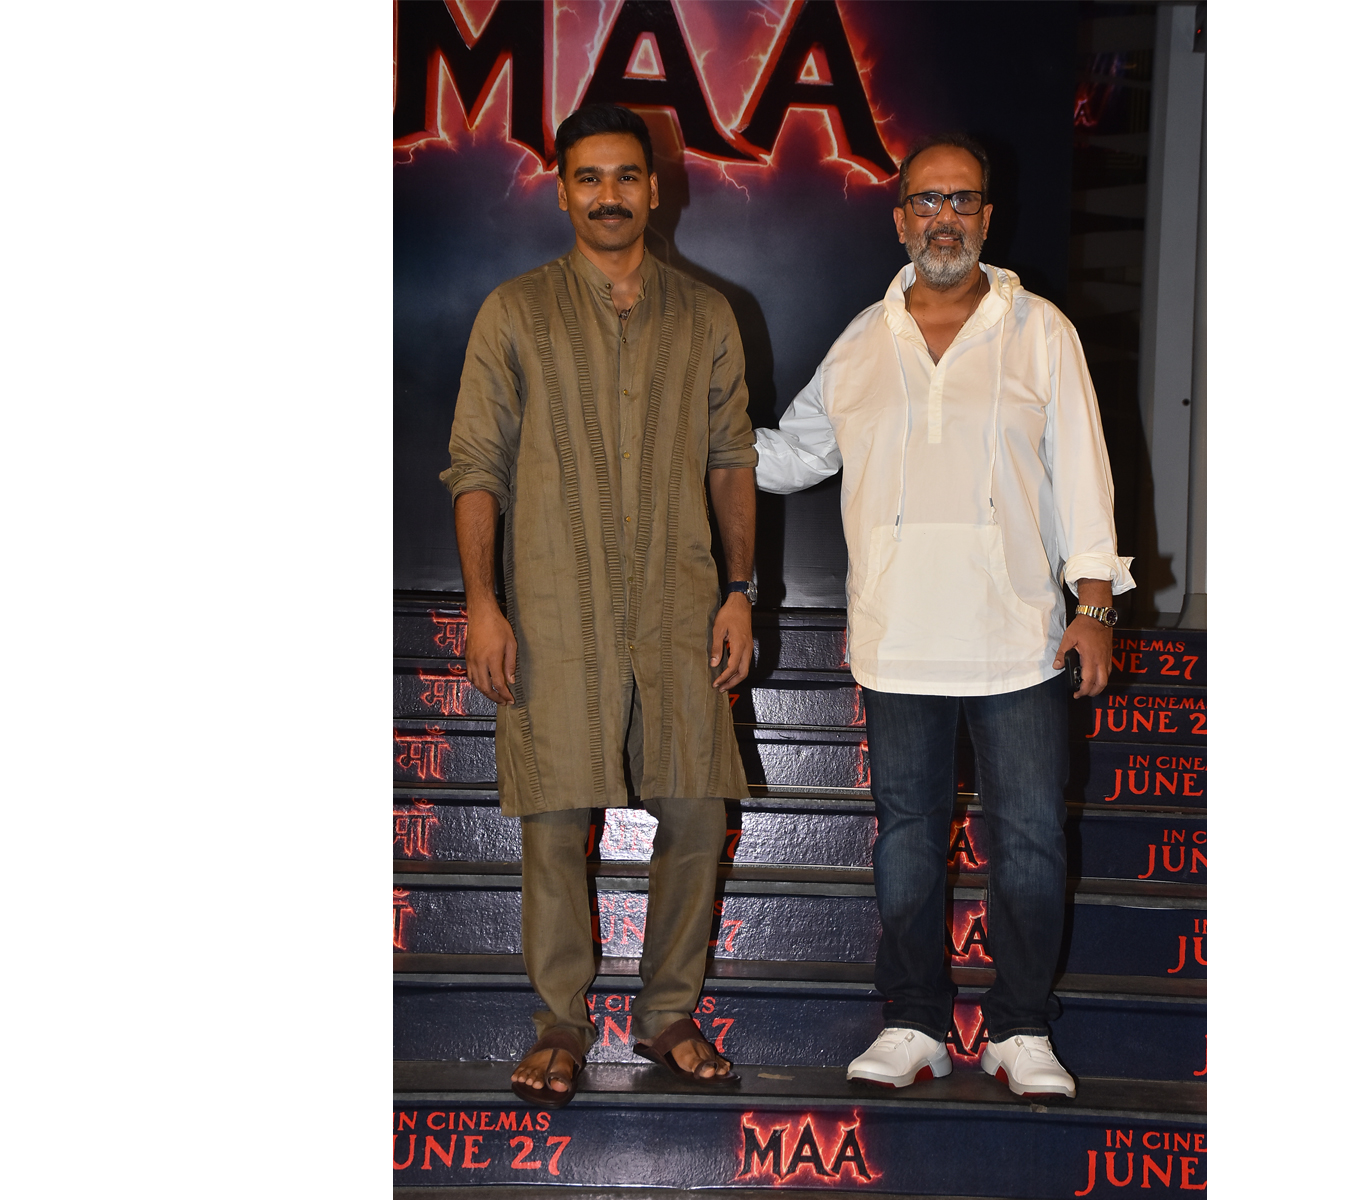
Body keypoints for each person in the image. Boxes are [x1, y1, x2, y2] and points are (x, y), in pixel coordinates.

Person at [754, 133, 1134, 1101]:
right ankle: (914, 1022)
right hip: (898, 639)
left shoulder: (1040, 330)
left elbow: (1083, 472)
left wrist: (1093, 602)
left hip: (1017, 638)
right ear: (899, 220)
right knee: (908, 843)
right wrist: (690, 436)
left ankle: (1020, 1030)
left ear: (987, 217)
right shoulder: (861, 340)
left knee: (1031, 844)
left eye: (962, 200)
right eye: (926, 200)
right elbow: (791, 456)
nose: (944, 218)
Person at [441, 104, 758, 1107]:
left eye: (626, 176)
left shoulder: (706, 316)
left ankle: (667, 1013)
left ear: (656, 189)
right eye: (589, 177)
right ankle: (560, 1024)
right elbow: (476, 466)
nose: (609, 195)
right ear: (562, 190)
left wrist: (740, 590)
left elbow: (731, 459)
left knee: (697, 809)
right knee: (553, 819)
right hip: (553, 606)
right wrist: (484, 604)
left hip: (679, 602)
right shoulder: (515, 313)